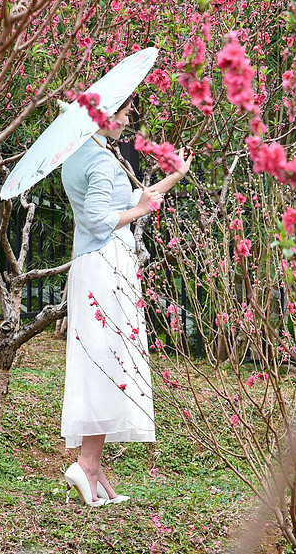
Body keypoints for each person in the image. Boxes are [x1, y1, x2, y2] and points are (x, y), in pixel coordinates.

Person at [59, 95, 191, 506]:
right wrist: (140, 211)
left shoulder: (83, 154)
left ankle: (92, 466)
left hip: (91, 264)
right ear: (105, 114)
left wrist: (173, 177)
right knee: (107, 361)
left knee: (101, 360)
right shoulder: (99, 161)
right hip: (105, 264)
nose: (129, 118)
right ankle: (86, 462)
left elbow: (130, 202)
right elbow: (101, 220)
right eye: (125, 112)